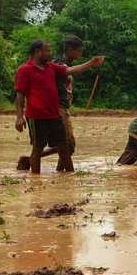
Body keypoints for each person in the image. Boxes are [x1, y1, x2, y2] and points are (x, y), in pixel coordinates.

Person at [14, 40, 105, 174]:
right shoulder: (24, 70)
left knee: (64, 146)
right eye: (47, 51)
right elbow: (20, 95)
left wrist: (91, 63)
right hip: (36, 116)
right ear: (38, 52)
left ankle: (70, 175)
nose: (50, 54)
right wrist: (19, 117)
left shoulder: (51, 67)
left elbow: (71, 70)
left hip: (54, 114)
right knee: (38, 147)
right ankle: (35, 181)